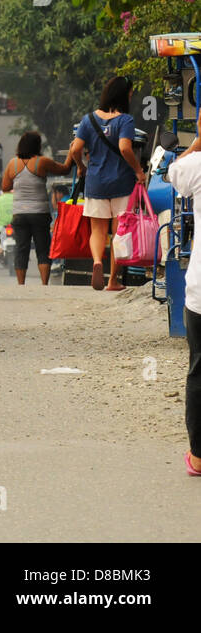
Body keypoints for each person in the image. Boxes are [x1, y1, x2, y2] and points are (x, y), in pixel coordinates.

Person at [67, 76, 146, 291]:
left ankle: (97, 263)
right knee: (119, 232)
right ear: (123, 95)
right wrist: (138, 170)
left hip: (96, 183)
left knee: (97, 230)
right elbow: (124, 148)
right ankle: (112, 280)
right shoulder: (125, 120)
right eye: (130, 93)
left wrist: (81, 166)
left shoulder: (88, 120)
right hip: (122, 182)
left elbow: (75, 149)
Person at [161, 134, 201, 476]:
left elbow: (171, 171)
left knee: (199, 369)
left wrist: (198, 141)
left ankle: (199, 456)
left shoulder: (197, 166)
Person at [1, 131, 73, 285]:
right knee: (42, 249)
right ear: (37, 146)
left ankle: (21, 284)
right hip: (39, 213)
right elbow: (65, 169)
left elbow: (5, 186)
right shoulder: (42, 162)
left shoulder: (12, 164)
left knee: (21, 249)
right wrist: (72, 152)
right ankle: (44, 284)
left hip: (19, 213)